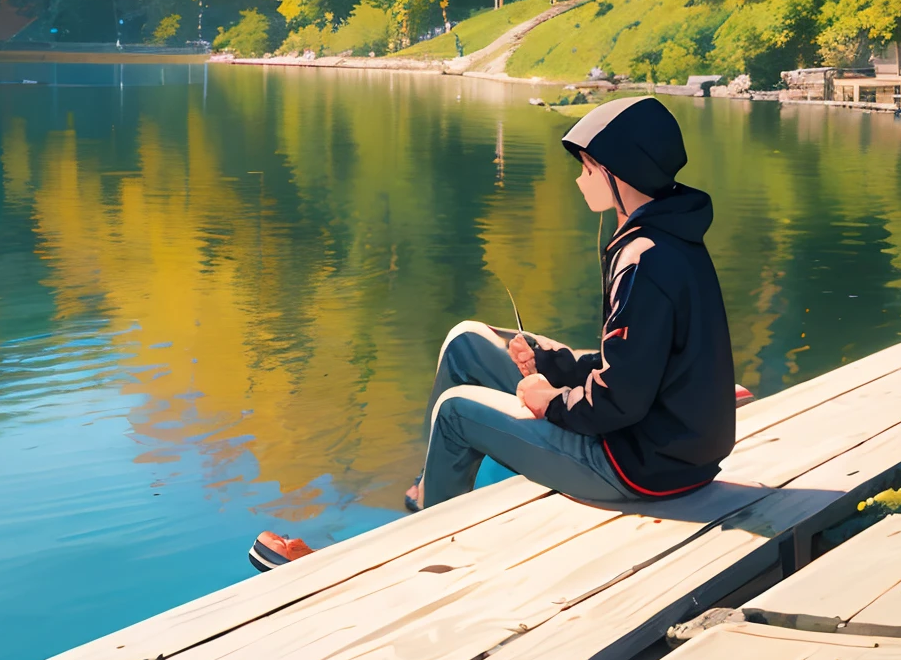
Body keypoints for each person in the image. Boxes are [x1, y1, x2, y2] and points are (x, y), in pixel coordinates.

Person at [250, 95, 737, 571]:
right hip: (665, 447)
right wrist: (553, 362)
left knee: (456, 412)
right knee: (467, 342)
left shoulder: (642, 261)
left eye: (588, 167)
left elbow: (621, 399)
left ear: (619, 172)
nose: (579, 178)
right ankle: (430, 496)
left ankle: (423, 555)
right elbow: (637, 362)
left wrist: (550, 402)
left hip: (641, 467)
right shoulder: (666, 240)